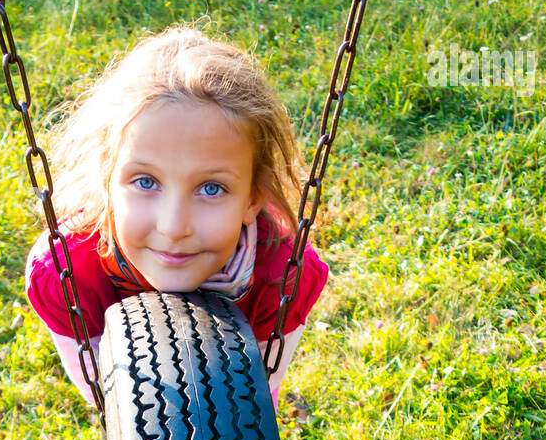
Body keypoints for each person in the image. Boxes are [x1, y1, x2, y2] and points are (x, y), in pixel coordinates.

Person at [24, 23, 330, 411]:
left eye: (211, 188)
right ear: (106, 179)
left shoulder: (281, 277)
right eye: (146, 181)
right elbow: (115, 415)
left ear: (254, 198)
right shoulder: (70, 277)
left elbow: (253, 414)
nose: (173, 226)